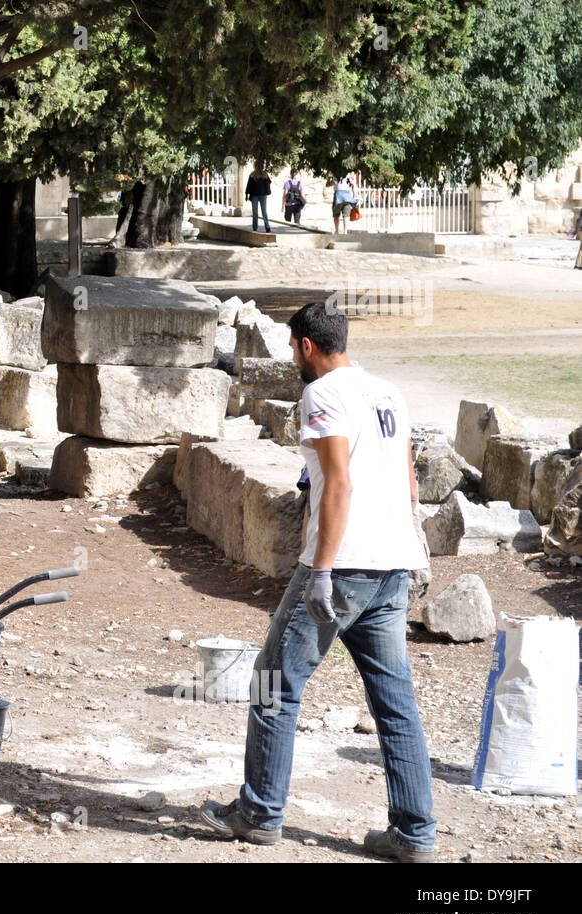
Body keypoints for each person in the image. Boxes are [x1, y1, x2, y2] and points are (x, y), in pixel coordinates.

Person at [200, 301, 436, 863]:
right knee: (394, 701)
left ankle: (258, 814)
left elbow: (339, 485)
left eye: (291, 346)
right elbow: (407, 480)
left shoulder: (322, 394)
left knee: (272, 684)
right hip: (391, 565)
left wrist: (322, 570)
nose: (291, 357)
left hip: (344, 564)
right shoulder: (387, 392)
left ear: (307, 344)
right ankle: (415, 832)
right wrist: (407, 548)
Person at [246, 167, 272, 233]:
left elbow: (269, 181)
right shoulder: (252, 174)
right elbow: (249, 185)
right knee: (255, 212)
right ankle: (255, 227)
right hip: (254, 195)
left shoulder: (264, 174)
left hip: (263, 195)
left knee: (264, 212)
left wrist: (266, 178)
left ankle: (267, 227)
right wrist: (246, 194)